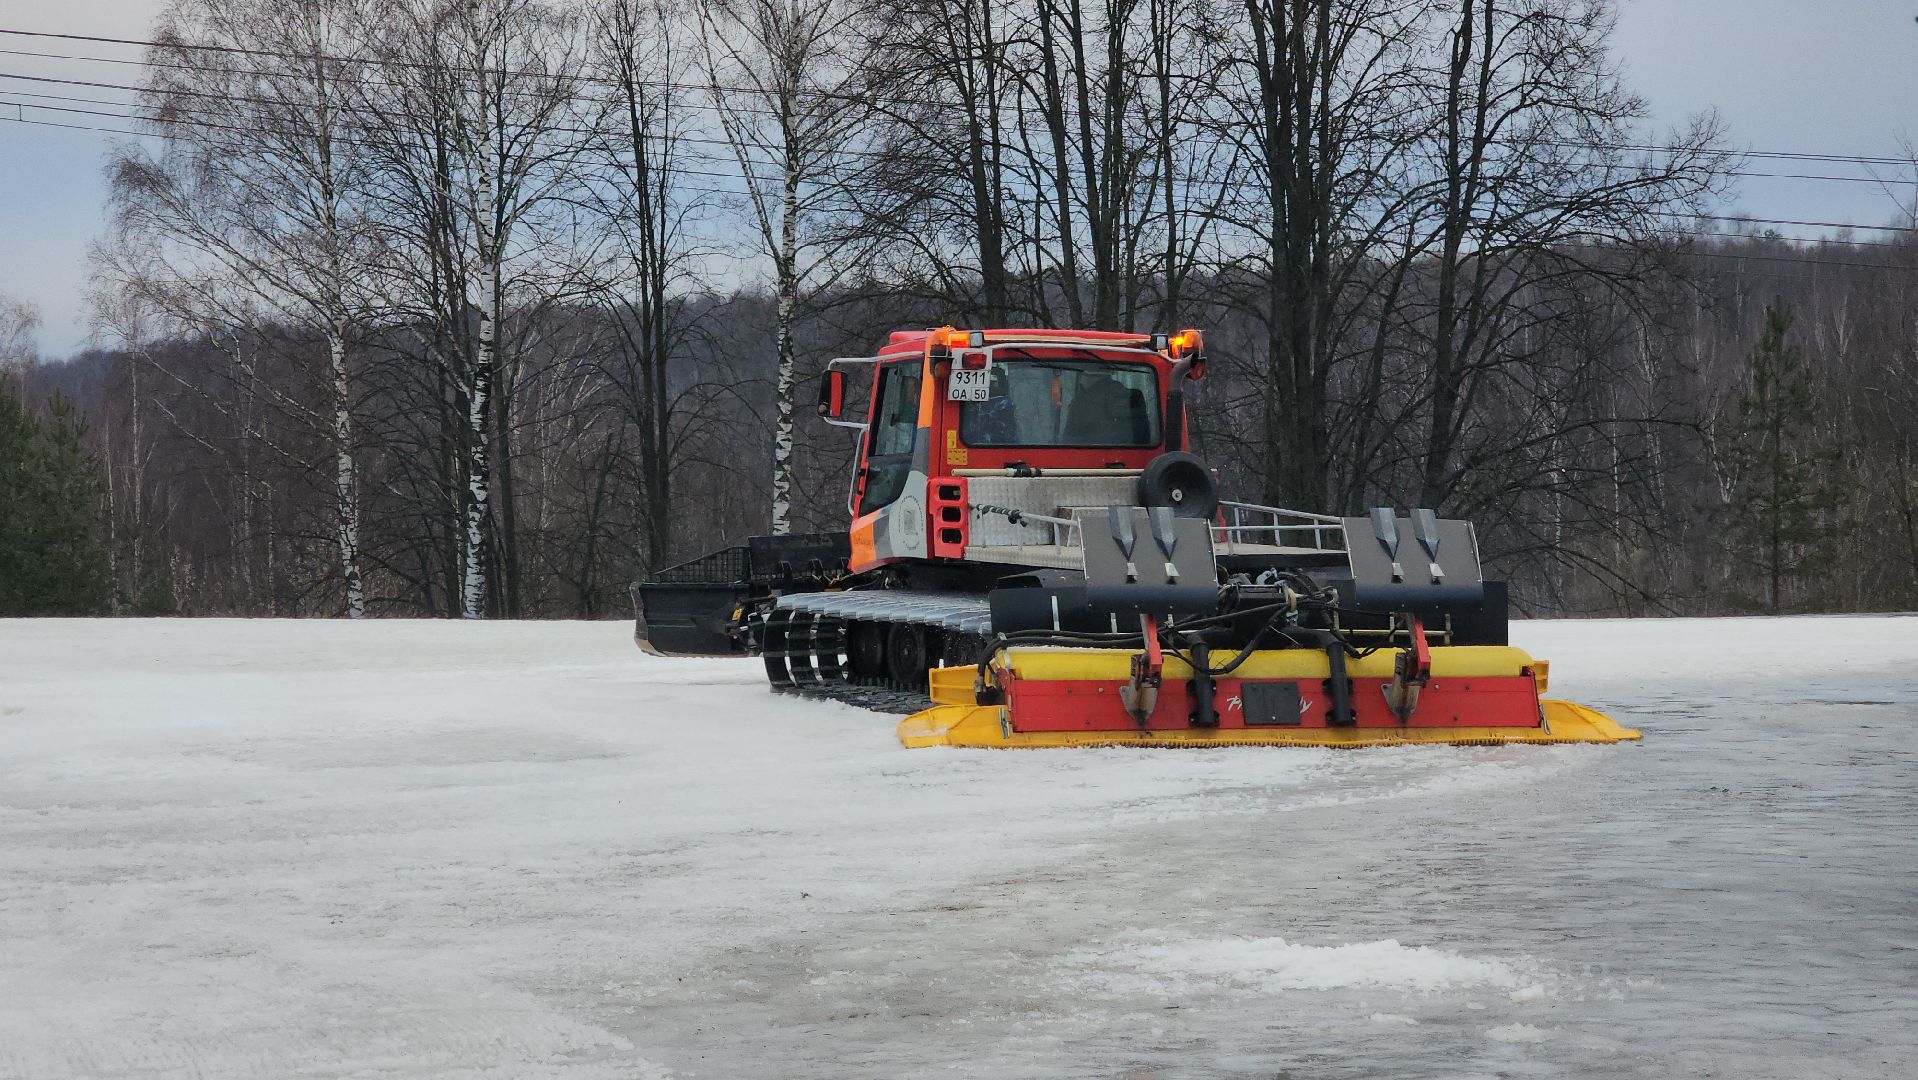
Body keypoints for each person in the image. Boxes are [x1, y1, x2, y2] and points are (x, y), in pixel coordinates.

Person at [1062, 367, 1141, 444]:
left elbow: (1070, 439)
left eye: (1081, 375)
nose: (1080, 381)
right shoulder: (1125, 394)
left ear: (1090, 376)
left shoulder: (1082, 402)